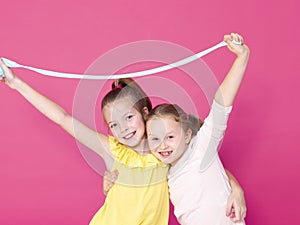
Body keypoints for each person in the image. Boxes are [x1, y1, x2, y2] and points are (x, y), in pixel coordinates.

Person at [0, 32, 246, 224]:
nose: (123, 129)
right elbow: (63, 118)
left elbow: (205, 160)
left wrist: (235, 187)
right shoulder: (113, 151)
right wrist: (16, 83)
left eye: (128, 117)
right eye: (113, 124)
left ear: (145, 112)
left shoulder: (165, 151)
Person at [144, 33, 250, 225]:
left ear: (187, 136)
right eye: (155, 139)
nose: (162, 145)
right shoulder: (161, 168)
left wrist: (242, 58)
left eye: (169, 136)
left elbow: (221, 105)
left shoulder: (202, 146)